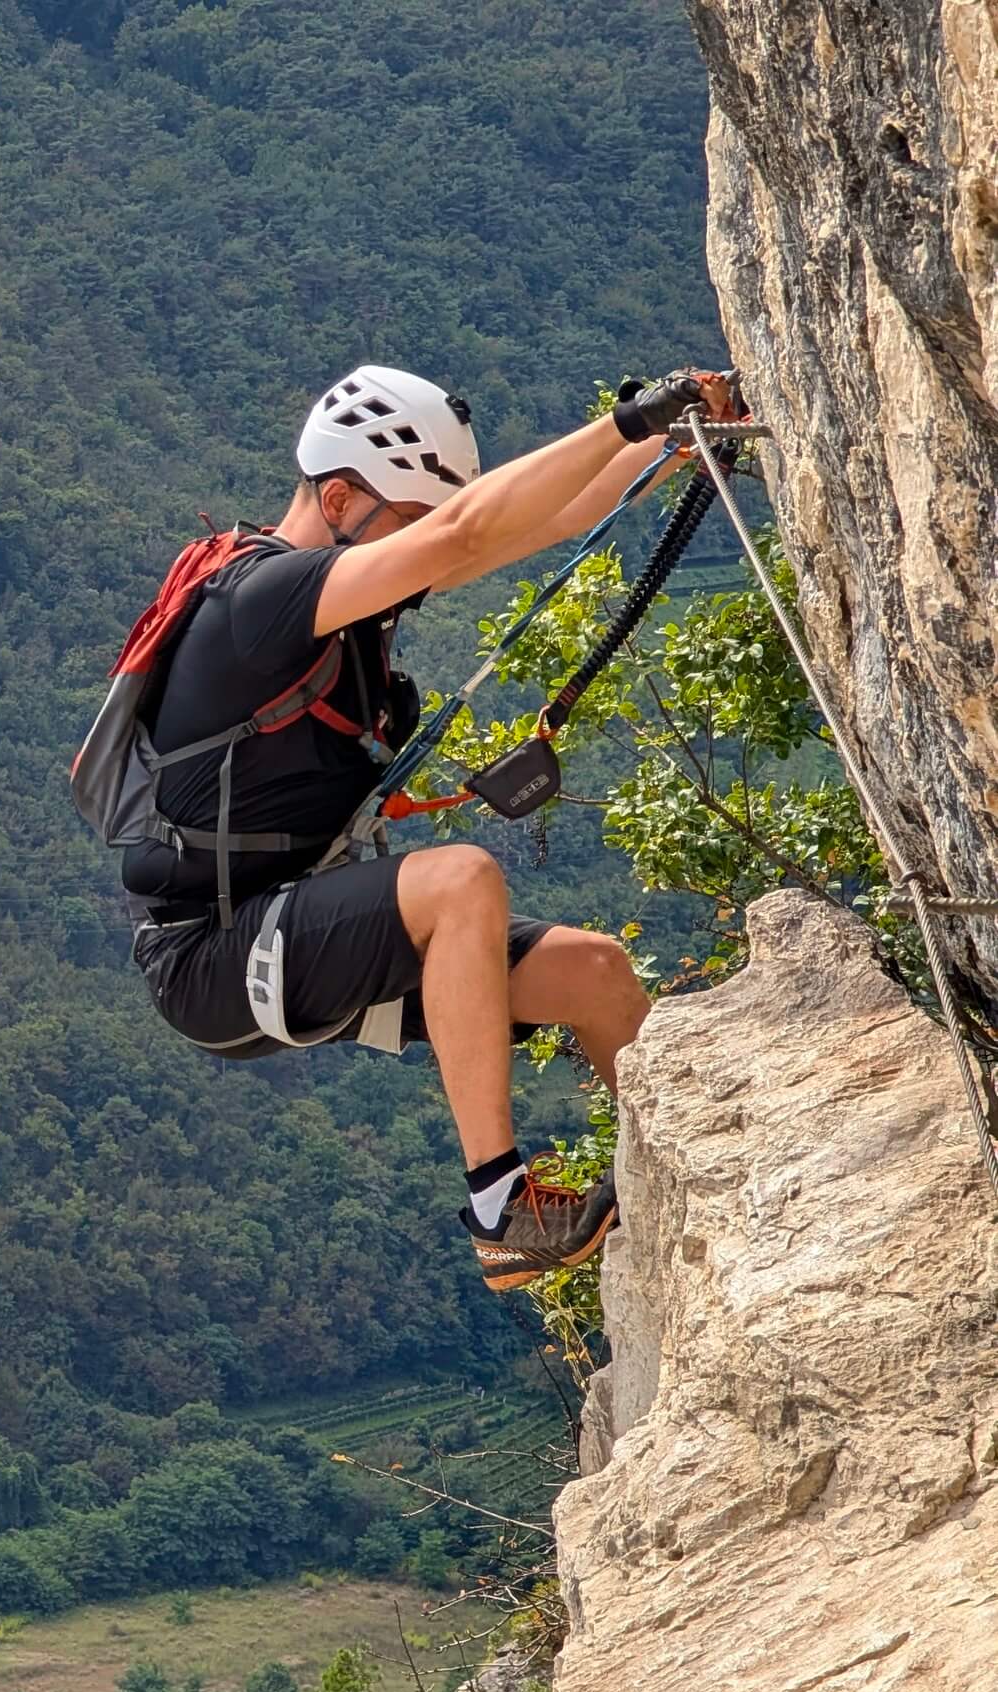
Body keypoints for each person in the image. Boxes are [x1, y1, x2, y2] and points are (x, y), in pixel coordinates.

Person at [121, 365, 732, 1290]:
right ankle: (501, 1205)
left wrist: (672, 441)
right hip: (212, 956)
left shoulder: (337, 594)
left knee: (598, 976)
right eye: (405, 522)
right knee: (460, 881)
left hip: (294, 928)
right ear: (338, 498)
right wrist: (627, 417)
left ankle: (701, 1196)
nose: (421, 554)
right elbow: (464, 527)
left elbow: (541, 522)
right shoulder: (266, 598)